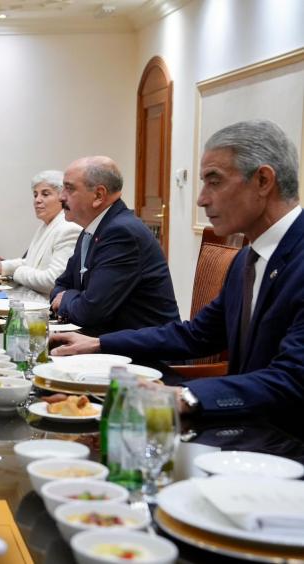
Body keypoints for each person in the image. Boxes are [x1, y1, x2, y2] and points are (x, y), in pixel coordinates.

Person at [51, 120, 304, 431]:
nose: (201, 199)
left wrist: (186, 396)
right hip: (245, 429)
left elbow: (293, 379)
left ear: (263, 180)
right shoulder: (245, 260)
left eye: (214, 181)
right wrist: (100, 343)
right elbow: (196, 335)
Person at [50, 156, 179, 335]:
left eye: (69, 188)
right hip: (105, 340)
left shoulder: (122, 233)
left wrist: (66, 298)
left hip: (143, 348)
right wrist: (71, 298)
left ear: (98, 195)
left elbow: (90, 312)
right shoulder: (92, 230)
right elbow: (60, 285)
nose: (61, 197)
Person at [0, 170, 82, 296]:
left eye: (45, 194)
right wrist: (2, 266)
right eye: (35, 195)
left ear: (61, 197)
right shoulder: (46, 225)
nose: (37, 200)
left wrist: (15, 272)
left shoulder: (68, 229)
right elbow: (31, 263)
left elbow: (54, 280)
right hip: (27, 296)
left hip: (43, 304)